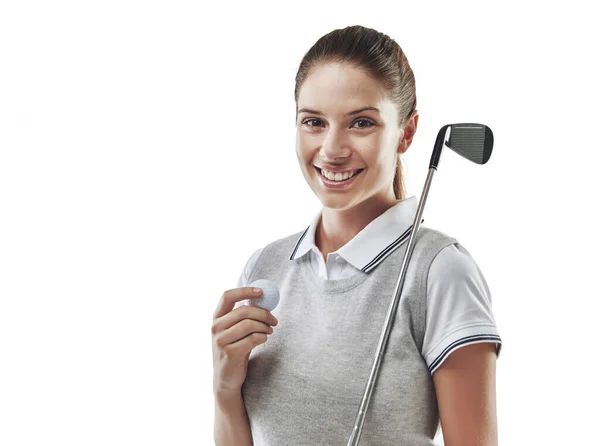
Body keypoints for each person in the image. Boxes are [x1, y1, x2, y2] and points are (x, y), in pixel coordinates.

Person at [212, 25, 502, 445]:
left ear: (406, 132)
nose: (332, 148)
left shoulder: (439, 271)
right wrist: (224, 390)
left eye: (361, 123)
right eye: (313, 122)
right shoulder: (264, 267)